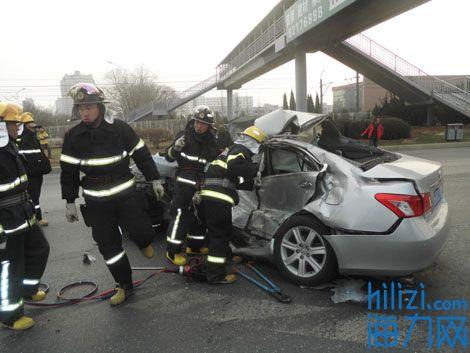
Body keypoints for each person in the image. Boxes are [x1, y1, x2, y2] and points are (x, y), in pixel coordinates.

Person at [60, 83, 164, 306]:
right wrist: (69, 201)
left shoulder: (119, 128)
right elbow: (68, 172)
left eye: (88, 107)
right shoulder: (73, 137)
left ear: (99, 107)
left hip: (125, 193)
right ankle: (124, 286)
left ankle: (144, 241)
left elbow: (142, 155)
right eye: (80, 108)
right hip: (96, 201)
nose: (84, 112)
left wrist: (154, 178)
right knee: (108, 245)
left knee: (140, 230)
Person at [0, 102, 50, 330]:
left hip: (23, 212)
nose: (17, 128)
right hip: (6, 221)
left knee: (40, 249)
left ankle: (28, 290)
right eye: (13, 124)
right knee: (11, 267)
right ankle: (9, 315)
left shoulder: (9, 147)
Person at [201, 126, 267, 284]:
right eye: (258, 145)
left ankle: (228, 256)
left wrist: (251, 181)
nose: (257, 151)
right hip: (217, 197)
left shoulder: (233, 150)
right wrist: (256, 170)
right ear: (253, 142)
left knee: (223, 230)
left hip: (213, 196)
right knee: (219, 236)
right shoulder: (240, 150)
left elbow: (234, 177)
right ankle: (216, 276)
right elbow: (234, 167)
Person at [164, 105, 218, 266]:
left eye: (202, 123)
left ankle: (195, 246)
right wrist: (175, 149)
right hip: (184, 184)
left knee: (200, 215)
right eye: (197, 122)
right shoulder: (184, 136)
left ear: (209, 126)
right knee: (181, 216)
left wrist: (201, 189)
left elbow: (211, 163)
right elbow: (168, 157)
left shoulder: (211, 141)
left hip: (201, 184)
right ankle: (172, 251)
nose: (198, 126)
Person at [17, 112, 51, 226]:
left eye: (32, 122)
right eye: (29, 123)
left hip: (37, 173)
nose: (32, 125)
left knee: (35, 196)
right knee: (33, 197)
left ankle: (34, 217)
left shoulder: (33, 138)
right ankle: (37, 218)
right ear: (23, 125)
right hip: (29, 174)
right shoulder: (21, 140)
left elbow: (39, 154)